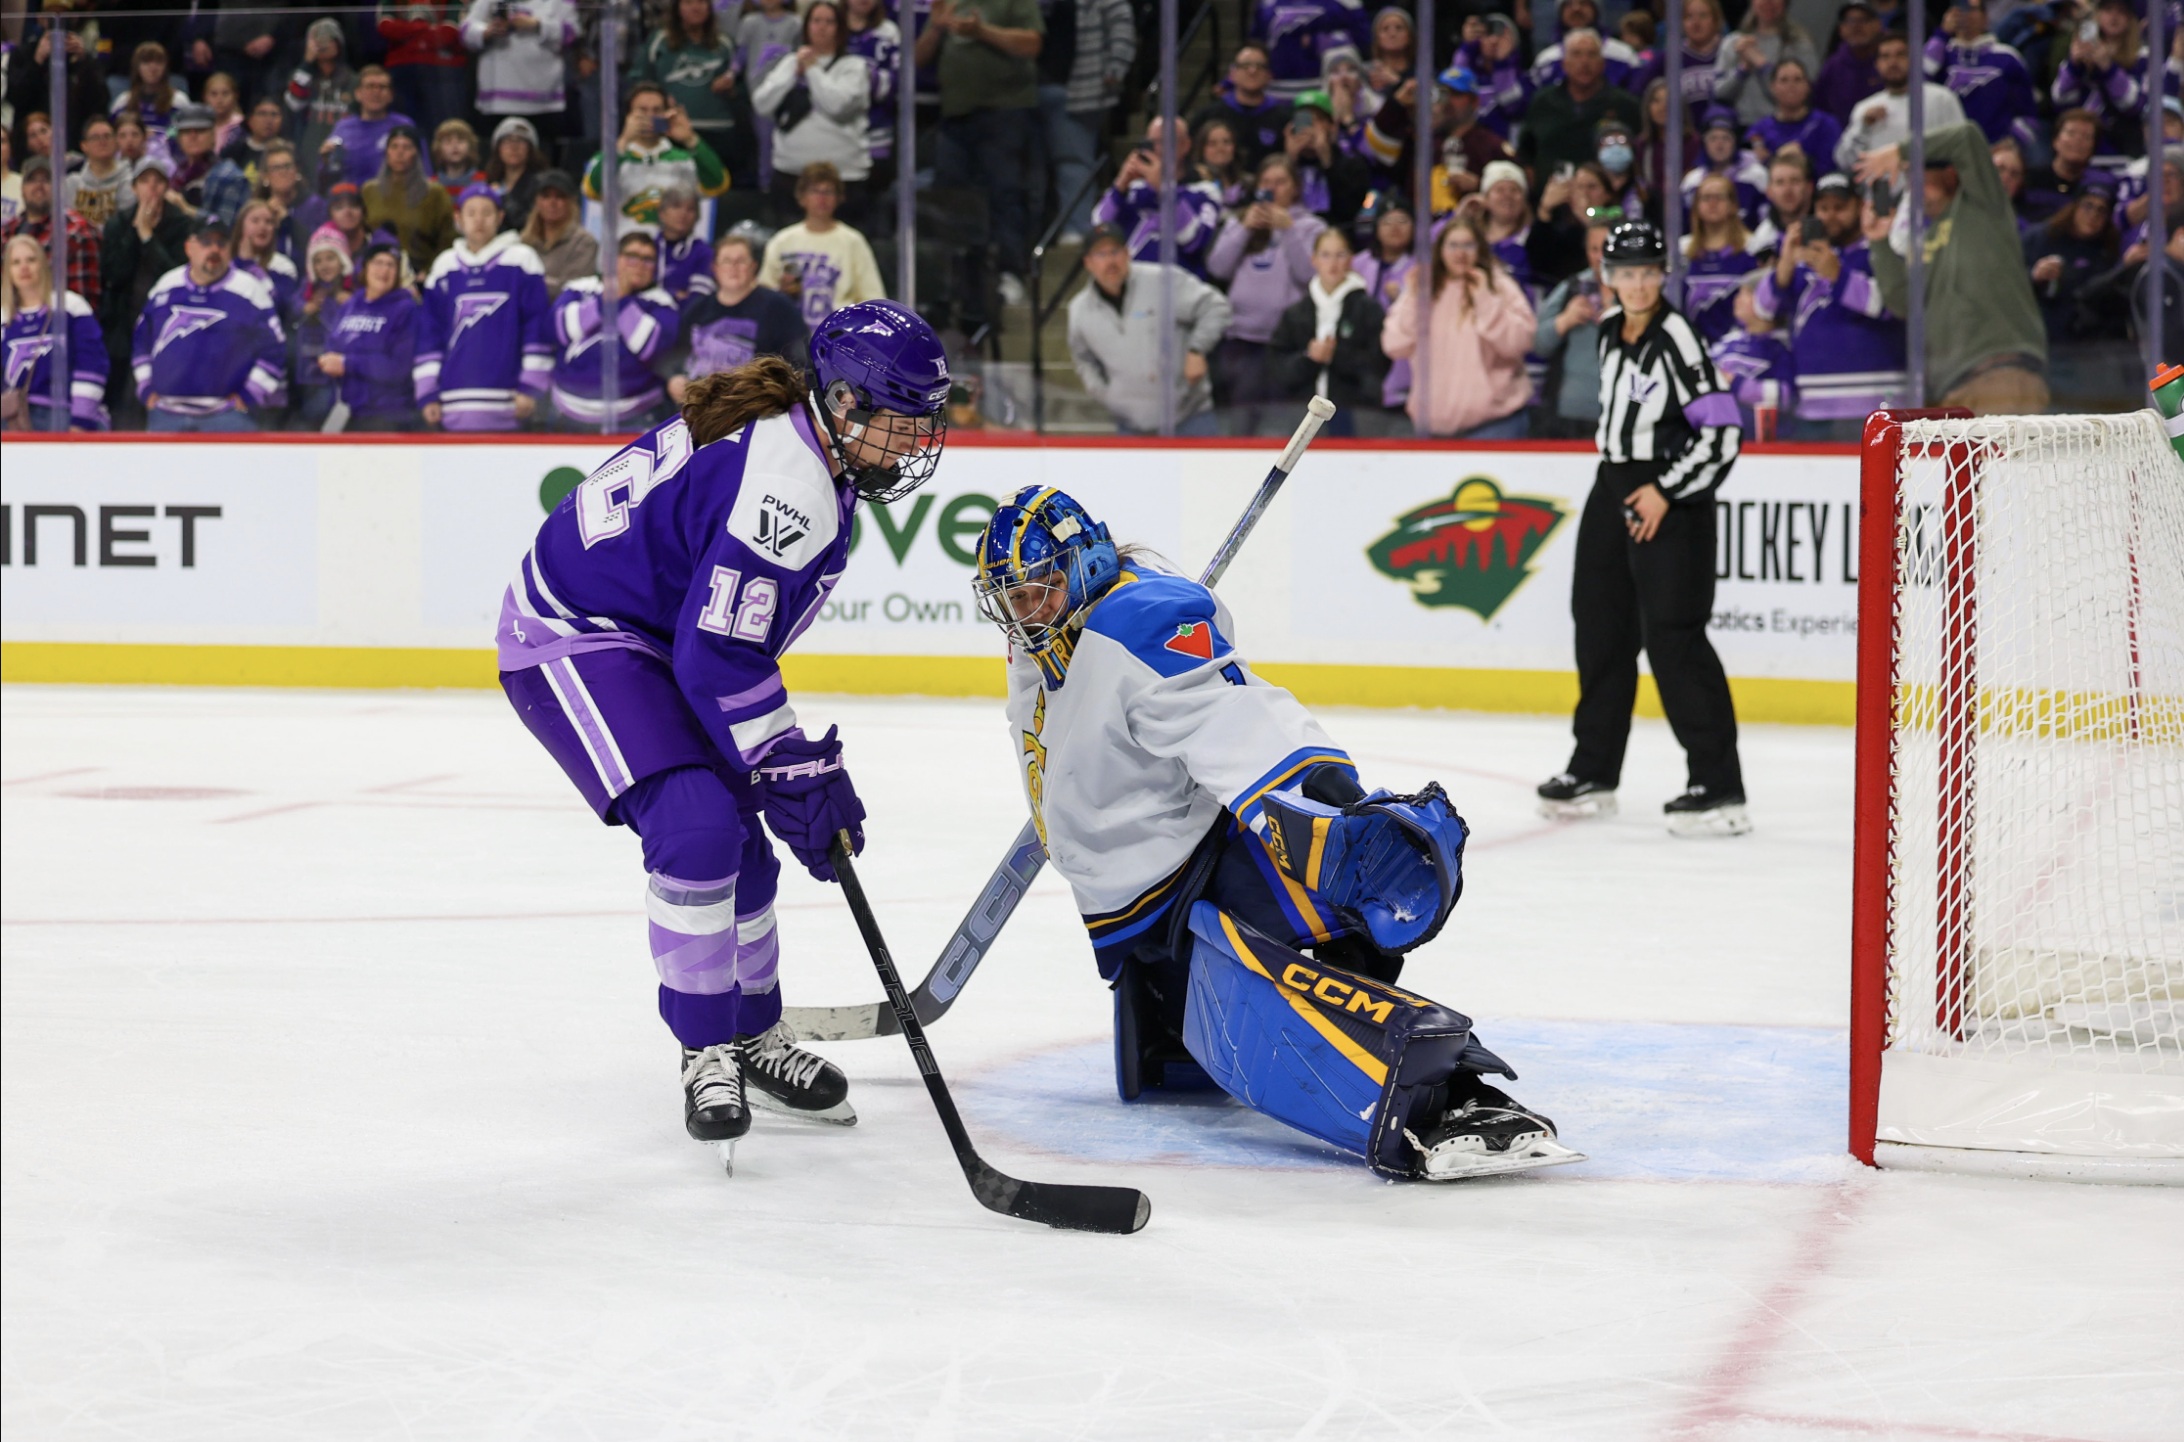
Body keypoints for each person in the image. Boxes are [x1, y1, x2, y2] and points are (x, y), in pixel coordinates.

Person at [966, 485, 1580, 1182]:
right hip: (1132, 917)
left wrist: (1336, 802)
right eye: (1009, 597)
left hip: (1194, 868)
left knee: (1296, 976)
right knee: (1221, 1042)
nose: (1022, 614)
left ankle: (1455, 1099)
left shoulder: (1134, 624)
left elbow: (1240, 721)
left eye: (1037, 591)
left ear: (1084, 569)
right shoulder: (1045, 639)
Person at [497, 301, 952, 1156]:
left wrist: (782, 771)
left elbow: (718, 644)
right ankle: (706, 1047)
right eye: (903, 421)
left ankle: (752, 1031)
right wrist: (790, 763)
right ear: (846, 406)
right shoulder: (793, 483)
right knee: (698, 830)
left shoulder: (810, 448)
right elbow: (718, 658)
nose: (917, 442)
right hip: (573, 634)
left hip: (657, 638)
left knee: (745, 842)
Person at [1537, 219, 1746, 836]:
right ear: (1608, 276)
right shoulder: (1606, 328)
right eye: (1624, 272)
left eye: (1647, 272)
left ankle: (1719, 785)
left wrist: (1665, 491)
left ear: (1663, 275)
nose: (1635, 284)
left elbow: (1722, 432)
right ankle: (1593, 769)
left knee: (1674, 638)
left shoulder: (1678, 337)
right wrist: (1626, 488)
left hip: (1669, 494)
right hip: (1612, 484)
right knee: (1599, 627)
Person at [1858, 119, 2050, 414]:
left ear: (1949, 174)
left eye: (1917, 173)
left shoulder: (1983, 206)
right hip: (1953, 388)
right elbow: (1903, 303)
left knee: (2003, 462)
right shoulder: (1925, 239)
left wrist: (1900, 151)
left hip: (2000, 375)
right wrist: (1881, 242)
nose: (1912, 184)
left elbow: (1967, 135)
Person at [1753, 171, 1907, 436]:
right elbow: (1763, 310)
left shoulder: (1881, 250)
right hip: (1812, 407)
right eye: (1823, 208)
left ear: (1859, 207)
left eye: (1840, 208)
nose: (1830, 216)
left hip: (1875, 406)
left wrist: (1838, 275)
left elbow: (1893, 305)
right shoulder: (1802, 261)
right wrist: (1786, 262)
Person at [1379, 209, 1534, 440]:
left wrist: (1484, 299)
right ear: (1440, 250)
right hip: (1430, 428)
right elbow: (1394, 345)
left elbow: (1520, 342)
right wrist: (1412, 297)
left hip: (1495, 424)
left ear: (1480, 248)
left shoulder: (1500, 286)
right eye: (1453, 245)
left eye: (1468, 245)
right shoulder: (1424, 291)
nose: (1460, 253)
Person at [1066, 224, 1231, 435]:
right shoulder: (1079, 310)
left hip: (1190, 418)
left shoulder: (1163, 280)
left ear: (1127, 253)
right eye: (1101, 254)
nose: (1110, 261)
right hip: (1130, 426)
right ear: (1088, 263)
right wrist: (1104, 394)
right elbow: (1083, 359)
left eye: (1115, 251)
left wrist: (1197, 349)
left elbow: (1216, 306)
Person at [132, 213, 288, 431]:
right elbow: (141, 341)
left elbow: (275, 350)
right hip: (165, 415)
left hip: (227, 417)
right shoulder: (166, 286)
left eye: (221, 243)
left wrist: (250, 395)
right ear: (189, 247)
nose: (214, 250)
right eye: (206, 242)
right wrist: (146, 390)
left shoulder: (250, 290)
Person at [416, 182, 552, 430]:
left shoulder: (521, 260)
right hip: (452, 400)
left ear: (500, 217)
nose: (479, 220)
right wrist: (427, 391)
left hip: (508, 399)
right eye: (471, 213)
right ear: (458, 219)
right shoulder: (445, 266)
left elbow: (537, 324)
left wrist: (531, 384)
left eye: (487, 213)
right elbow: (430, 331)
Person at [1207, 155, 1325, 436]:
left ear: (1295, 187)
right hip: (1242, 343)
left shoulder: (1311, 227)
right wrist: (1244, 228)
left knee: (1282, 429)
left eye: (1281, 182)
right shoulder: (1241, 221)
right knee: (1240, 428)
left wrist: (1289, 230)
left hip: (1286, 345)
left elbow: (1310, 276)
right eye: (1266, 182)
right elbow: (1217, 267)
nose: (1273, 189)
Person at [750, 1, 873, 223]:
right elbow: (762, 104)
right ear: (807, 26)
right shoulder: (789, 63)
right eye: (816, 20)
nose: (822, 27)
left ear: (840, 28)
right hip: (791, 176)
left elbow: (836, 106)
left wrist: (813, 69)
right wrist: (791, 74)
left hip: (844, 177)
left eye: (829, 21)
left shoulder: (853, 67)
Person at [548, 229, 681, 429]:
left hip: (636, 417)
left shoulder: (662, 302)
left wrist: (621, 299)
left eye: (648, 260)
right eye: (632, 257)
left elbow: (651, 347)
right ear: (614, 259)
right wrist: (606, 299)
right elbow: (559, 330)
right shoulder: (579, 288)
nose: (639, 266)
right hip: (567, 414)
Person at [98, 159, 192, 429]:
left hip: (168, 325)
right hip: (123, 328)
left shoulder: (181, 224)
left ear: (166, 187)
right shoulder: (118, 222)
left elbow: (176, 278)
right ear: (134, 187)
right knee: (123, 403)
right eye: (145, 181)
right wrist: (135, 235)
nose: (152, 187)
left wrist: (148, 237)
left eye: (158, 181)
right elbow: (114, 274)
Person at [1039, 0, 1139, 243]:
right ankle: (1039, 232)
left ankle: (1077, 226)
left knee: (1072, 161)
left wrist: (1114, 70)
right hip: (1030, 89)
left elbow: (1123, 32)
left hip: (1081, 89)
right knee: (1032, 167)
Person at [1268, 227, 1383, 435]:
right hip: (1301, 417)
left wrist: (1336, 355)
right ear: (1314, 260)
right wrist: (1309, 358)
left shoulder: (1367, 309)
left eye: (1340, 254)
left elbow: (1378, 364)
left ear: (1350, 259)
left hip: (1356, 414)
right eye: (1326, 255)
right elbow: (1277, 368)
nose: (1333, 263)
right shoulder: (1296, 313)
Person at [670, 231, 810, 399]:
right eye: (727, 261)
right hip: (703, 407)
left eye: (741, 261)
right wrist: (675, 379)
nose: (733, 268)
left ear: (753, 267)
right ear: (715, 268)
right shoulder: (697, 310)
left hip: (755, 407)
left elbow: (800, 363)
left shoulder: (779, 308)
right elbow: (679, 358)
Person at [584, 82, 734, 230]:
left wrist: (690, 139)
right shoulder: (608, 157)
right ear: (627, 115)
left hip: (672, 249)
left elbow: (719, 185)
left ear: (666, 114)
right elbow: (592, 191)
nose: (650, 117)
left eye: (657, 110)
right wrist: (622, 142)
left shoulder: (684, 159)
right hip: (626, 249)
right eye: (642, 110)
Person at [638, 0, 756, 189]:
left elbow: (746, 89)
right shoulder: (659, 41)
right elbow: (640, 82)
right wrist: (658, 99)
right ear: (677, 8)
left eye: (701, 2)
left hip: (718, 133)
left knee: (718, 189)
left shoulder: (725, 44)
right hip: (671, 132)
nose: (696, 7)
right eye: (689, 2)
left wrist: (731, 88)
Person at [0, 234, 110, 431]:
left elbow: (92, 364)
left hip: (64, 416)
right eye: (16, 262)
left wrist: (81, 420)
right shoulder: (3, 317)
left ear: (43, 264)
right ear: (8, 271)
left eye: (31, 260)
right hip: (13, 418)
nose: (24, 267)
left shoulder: (71, 306)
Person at [759, 162, 887, 328]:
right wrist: (781, 292)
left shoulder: (853, 242)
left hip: (839, 337)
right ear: (801, 197)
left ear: (839, 198)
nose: (822, 198)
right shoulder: (782, 241)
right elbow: (761, 297)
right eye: (815, 191)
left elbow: (873, 300)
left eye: (828, 191)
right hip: (788, 336)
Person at [1091, 117, 1225, 276]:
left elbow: (1195, 243)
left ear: (1186, 145)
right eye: (1151, 142)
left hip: (1180, 285)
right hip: (1132, 284)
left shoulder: (1204, 192)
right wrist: (1120, 185)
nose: (1157, 149)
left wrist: (1163, 190)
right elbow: (1099, 227)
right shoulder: (1134, 190)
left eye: (1165, 142)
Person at [319, 242, 423, 430]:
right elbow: (332, 346)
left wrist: (348, 364)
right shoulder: (350, 306)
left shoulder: (406, 310)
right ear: (365, 268)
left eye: (391, 265)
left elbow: (399, 368)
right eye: (378, 262)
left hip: (390, 415)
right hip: (349, 411)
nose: (384, 270)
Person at [1834, 33, 1968, 176]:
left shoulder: (1941, 98)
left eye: (1900, 55)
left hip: (1931, 190)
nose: (1893, 62)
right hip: (1881, 193)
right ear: (1876, 65)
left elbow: (1963, 149)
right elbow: (1845, 162)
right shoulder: (1864, 109)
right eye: (1885, 57)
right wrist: (1863, 126)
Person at [1518, 31, 1644, 182]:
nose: (1584, 61)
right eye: (1576, 54)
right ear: (1564, 64)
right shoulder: (1541, 103)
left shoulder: (1626, 105)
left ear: (1602, 64)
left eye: (1591, 54)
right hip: (1551, 195)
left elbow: (1640, 155)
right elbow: (1526, 156)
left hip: (1608, 199)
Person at [1533, 210, 1616, 438]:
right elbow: (1538, 344)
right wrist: (1565, 320)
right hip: (1570, 416)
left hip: (1622, 412)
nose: (1600, 257)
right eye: (1594, 249)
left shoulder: (1639, 292)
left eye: (1607, 248)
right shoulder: (1572, 287)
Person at [1925, 0, 2042, 155]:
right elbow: (1920, 78)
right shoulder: (1941, 54)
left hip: (1998, 150)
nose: (1965, 14)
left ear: (1985, 18)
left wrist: (2012, 141)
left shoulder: (2007, 56)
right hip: (1949, 151)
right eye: (1960, 8)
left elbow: (2028, 111)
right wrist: (1942, 33)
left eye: (1972, 9)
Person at [462, 0, 575, 136]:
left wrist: (537, 24)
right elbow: (466, 30)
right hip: (499, 99)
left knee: (542, 151)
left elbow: (571, 34)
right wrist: (487, 31)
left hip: (543, 99)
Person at [2, 158, 103, 309]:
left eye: (46, 180)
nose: (39, 186)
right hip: (13, 323)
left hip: (59, 323)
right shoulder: (6, 233)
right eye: (32, 180)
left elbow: (83, 304)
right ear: (22, 188)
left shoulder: (78, 232)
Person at [2051, 0, 2147, 158]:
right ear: (2098, 15)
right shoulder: (2081, 48)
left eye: (2121, 12)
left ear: (2131, 19)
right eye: (2108, 10)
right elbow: (2060, 98)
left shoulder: (2142, 57)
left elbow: (2133, 104)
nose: (2114, 17)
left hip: (2120, 145)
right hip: (2079, 141)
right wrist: (2074, 65)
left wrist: (2108, 69)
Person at [363, 124, 457, 276]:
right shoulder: (369, 191)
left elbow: (447, 240)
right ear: (387, 152)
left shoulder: (435, 193)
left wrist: (429, 271)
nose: (400, 153)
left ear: (416, 153)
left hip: (420, 273)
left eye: (407, 147)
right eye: (394, 146)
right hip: (377, 272)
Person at [1709, 270, 1796, 433]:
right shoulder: (1726, 343)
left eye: (1746, 294)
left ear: (1767, 301)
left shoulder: (1781, 348)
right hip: (1720, 435)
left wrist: (1735, 383)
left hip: (1762, 444)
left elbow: (1786, 396)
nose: (1737, 300)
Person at [1714, 0, 1819, 130]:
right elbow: (1719, 94)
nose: (1768, 3)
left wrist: (1762, 66)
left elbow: (1803, 96)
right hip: (1739, 128)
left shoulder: (1800, 44)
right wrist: (1742, 70)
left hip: (1786, 127)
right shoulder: (1732, 43)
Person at [1192, 43, 1294, 176]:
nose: (1252, 71)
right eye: (1245, 65)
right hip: (1218, 190)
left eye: (1259, 66)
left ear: (1269, 75)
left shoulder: (1287, 118)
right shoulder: (1208, 116)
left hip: (1269, 192)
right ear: (1232, 74)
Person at [1683, 172, 1760, 341]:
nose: (1712, 203)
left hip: (1737, 346)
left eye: (1720, 197)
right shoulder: (1682, 251)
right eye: (1706, 197)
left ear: (1733, 205)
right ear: (1696, 206)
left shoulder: (1753, 247)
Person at [378, 0, 473, 138]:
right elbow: (386, 28)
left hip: (442, 71)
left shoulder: (454, 1)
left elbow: (449, 34)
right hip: (402, 72)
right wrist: (428, 29)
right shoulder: (389, 2)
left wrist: (406, 31)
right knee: (403, 128)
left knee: (442, 128)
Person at [285, 20, 360, 190]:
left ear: (339, 43)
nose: (323, 44)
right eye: (317, 39)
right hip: (309, 150)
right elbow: (293, 103)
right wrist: (306, 62)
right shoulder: (302, 77)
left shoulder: (354, 80)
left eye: (329, 38)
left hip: (345, 149)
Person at [292, 230, 356, 427]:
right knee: (313, 411)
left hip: (345, 370)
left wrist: (352, 303)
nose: (324, 265)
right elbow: (293, 306)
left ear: (342, 260)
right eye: (318, 261)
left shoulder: (354, 289)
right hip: (313, 369)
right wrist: (304, 307)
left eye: (330, 258)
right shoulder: (308, 288)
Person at [1280, 88, 1372, 225]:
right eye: (1304, 119)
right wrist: (1289, 161)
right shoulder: (1278, 164)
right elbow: (1269, 202)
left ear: (1332, 126)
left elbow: (1348, 211)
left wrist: (1327, 160)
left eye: (1318, 119)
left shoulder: (1352, 163)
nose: (1310, 127)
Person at [1250, 0, 1369, 102]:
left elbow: (1363, 38)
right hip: (1275, 92)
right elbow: (1256, 44)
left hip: (1325, 93)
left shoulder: (1345, 2)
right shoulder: (1267, 4)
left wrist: (1318, 42)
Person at [324, 67, 418, 190]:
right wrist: (325, 160)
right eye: (370, 86)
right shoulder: (343, 127)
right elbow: (330, 172)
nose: (376, 92)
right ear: (357, 94)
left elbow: (423, 169)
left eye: (382, 87)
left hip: (395, 198)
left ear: (391, 95)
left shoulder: (404, 125)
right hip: (353, 202)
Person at [1683, 106, 1771, 229]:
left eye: (1726, 138)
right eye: (1713, 138)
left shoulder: (1756, 176)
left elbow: (1766, 222)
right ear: (1704, 143)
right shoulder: (1692, 181)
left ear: (1735, 142)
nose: (1719, 145)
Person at [1745, 58, 1841, 171]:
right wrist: (1777, 158)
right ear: (1772, 87)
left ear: (1808, 86)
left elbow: (1830, 166)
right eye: (1784, 80)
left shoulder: (1826, 124)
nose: (1791, 85)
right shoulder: (1759, 129)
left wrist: (1803, 160)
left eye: (1798, 79)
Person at [170, 105, 254, 227]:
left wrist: (186, 209)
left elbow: (226, 227)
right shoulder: (176, 174)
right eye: (186, 131)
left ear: (213, 135)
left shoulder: (229, 175)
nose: (192, 136)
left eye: (200, 131)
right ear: (179, 138)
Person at [519, 170, 598, 297]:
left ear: (570, 202)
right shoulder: (522, 242)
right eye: (546, 196)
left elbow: (575, 288)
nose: (552, 202)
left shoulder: (584, 242)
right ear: (537, 202)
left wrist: (531, 283)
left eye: (560, 196)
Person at [2023, 109, 2109, 222]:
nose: (2078, 140)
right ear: (2055, 140)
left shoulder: (2096, 188)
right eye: (2071, 133)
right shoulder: (2028, 178)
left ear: (2094, 147)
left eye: (2086, 136)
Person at [1813, 0, 1885, 127]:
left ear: (1878, 25)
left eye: (1864, 20)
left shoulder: (1891, 59)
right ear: (1841, 29)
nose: (1857, 26)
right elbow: (1820, 111)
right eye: (1850, 21)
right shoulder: (1832, 67)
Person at [230, 198, 302, 320]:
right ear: (241, 226)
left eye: (269, 222)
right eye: (255, 221)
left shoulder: (283, 266)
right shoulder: (224, 264)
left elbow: (279, 307)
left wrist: (249, 264)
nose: (262, 226)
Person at [112, 43, 183, 158]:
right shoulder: (123, 101)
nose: (153, 68)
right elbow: (114, 140)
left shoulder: (178, 101)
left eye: (159, 62)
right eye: (146, 62)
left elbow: (182, 136)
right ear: (137, 67)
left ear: (166, 67)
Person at [64, 118, 133, 233]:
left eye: (107, 136)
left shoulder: (130, 181)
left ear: (116, 142)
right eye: (95, 137)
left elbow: (125, 226)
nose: (102, 141)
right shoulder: (71, 183)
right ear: (84, 146)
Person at [654, 185, 715, 305]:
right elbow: (634, 291)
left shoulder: (704, 253)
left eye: (690, 209)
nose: (683, 214)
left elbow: (699, 301)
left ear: (697, 217)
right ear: (662, 213)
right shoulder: (648, 249)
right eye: (676, 206)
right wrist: (674, 293)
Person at [485, 116, 547, 233]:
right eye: (507, 140)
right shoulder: (489, 183)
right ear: (498, 149)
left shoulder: (541, 184)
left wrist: (503, 198)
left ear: (530, 149)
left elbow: (529, 222)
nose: (513, 146)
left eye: (520, 140)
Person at [223, 98, 289, 185]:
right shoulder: (233, 152)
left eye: (274, 114)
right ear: (250, 120)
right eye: (262, 114)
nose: (269, 120)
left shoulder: (289, 153)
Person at [431, 119, 488, 191]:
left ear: (471, 146)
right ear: (438, 148)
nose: (455, 146)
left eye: (460, 140)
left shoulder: (483, 180)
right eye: (448, 141)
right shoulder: (432, 185)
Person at [201, 73, 246, 154]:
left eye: (225, 93)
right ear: (205, 97)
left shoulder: (243, 126)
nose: (219, 99)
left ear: (236, 96)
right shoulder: (200, 126)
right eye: (214, 94)